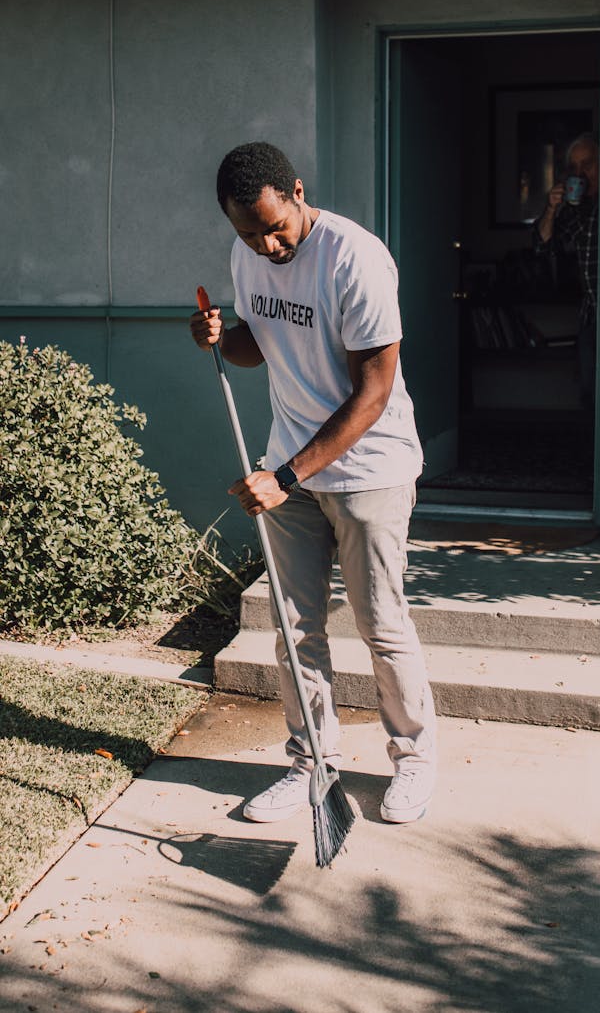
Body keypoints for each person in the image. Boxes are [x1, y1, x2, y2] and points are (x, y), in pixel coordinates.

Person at [190, 141, 437, 825]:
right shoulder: (248, 254)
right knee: (294, 629)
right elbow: (256, 341)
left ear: (296, 193)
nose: (267, 245)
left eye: (275, 226)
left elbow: (373, 392)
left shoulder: (356, 258)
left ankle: (413, 760)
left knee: (380, 623)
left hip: (368, 471)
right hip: (287, 471)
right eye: (248, 232)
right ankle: (310, 763)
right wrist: (216, 336)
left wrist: (287, 475)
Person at [534, 133, 599, 409]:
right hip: (589, 313)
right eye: (573, 168)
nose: (580, 174)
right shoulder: (574, 211)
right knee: (589, 390)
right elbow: (543, 245)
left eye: (587, 165)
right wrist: (551, 208)